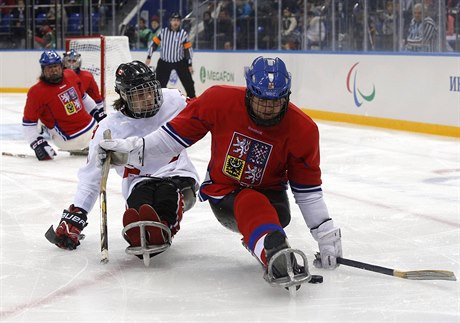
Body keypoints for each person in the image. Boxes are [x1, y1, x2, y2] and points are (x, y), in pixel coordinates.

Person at [97, 56, 343, 290]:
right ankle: (272, 250)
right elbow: (172, 139)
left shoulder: (303, 130)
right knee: (249, 199)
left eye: (276, 101)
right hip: (225, 194)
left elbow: (307, 190)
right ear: (249, 92)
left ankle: (266, 241)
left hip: (273, 200)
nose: (268, 108)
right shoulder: (220, 100)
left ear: (287, 96)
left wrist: (324, 234)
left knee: (260, 203)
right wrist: (130, 149)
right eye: (261, 99)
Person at [48, 61, 199, 262]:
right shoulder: (108, 128)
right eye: (138, 94)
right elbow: (91, 176)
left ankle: (161, 228)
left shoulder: (174, 100)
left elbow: (205, 116)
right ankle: (141, 230)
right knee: (139, 204)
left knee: (167, 194)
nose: (147, 98)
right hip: (139, 181)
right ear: (125, 96)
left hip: (178, 174)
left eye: (149, 90)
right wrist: (77, 214)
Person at [22, 50, 104, 160]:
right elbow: (28, 124)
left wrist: (97, 113)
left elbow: (84, 98)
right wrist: (38, 144)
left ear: (61, 66)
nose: (54, 70)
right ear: (43, 70)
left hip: (91, 128)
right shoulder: (36, 92)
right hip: (68, 140)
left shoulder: (71, 75)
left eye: (56, 66)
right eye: (49, 68)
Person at [145, 12, 196, 98]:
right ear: (170, 21)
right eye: (173, 20)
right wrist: (149, 56)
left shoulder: (183, 34)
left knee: (189, 84)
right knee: (159, 85)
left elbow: (187, 50)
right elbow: (154, 44)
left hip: (179, 61)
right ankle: (157, 101)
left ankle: (193, 100)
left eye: (177, 20)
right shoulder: (163, 32)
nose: (175, 22)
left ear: (180, 22)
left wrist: (189, 64)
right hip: (164, 62)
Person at [63, 49, 105, 121]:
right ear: (64, 62)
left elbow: (95, 96)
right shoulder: (58, 78)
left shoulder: (87, 76)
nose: (71, 64)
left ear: (78, 62)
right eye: (69, 61)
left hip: (82, 111)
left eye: (74, 61)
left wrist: (100, 112)